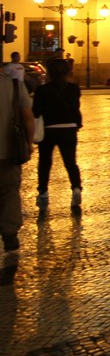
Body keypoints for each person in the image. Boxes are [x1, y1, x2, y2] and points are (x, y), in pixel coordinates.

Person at [31, 58, 83, 216]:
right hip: (69, 128)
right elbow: (76, 107)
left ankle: (43, 193)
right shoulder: (74, 89)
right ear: (68, 72)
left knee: (45, 162)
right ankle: (76, 188)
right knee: (70, 162)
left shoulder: (42, 90)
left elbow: (36, 111)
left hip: (49, 129)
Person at [1, 70, 34, 255]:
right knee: (10, 191)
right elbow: (28, 117)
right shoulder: (14, 85)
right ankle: (9, 234)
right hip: (7, 151)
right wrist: (28, 144)